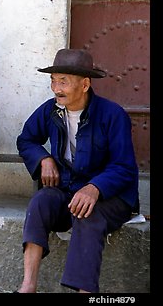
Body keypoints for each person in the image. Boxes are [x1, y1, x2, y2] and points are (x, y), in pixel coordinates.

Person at [15, 48, 139, 293]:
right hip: (68, 191)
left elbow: (124, 166)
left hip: (111, 198)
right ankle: (28, 286)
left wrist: (95, 188)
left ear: (84, 85)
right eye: (53, 80)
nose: (56, 88)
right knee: (40, 201)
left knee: (87, 214)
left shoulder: (112, 115)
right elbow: (26, 140)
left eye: (63, 81)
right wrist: (43, 159)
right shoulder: (50, 111)